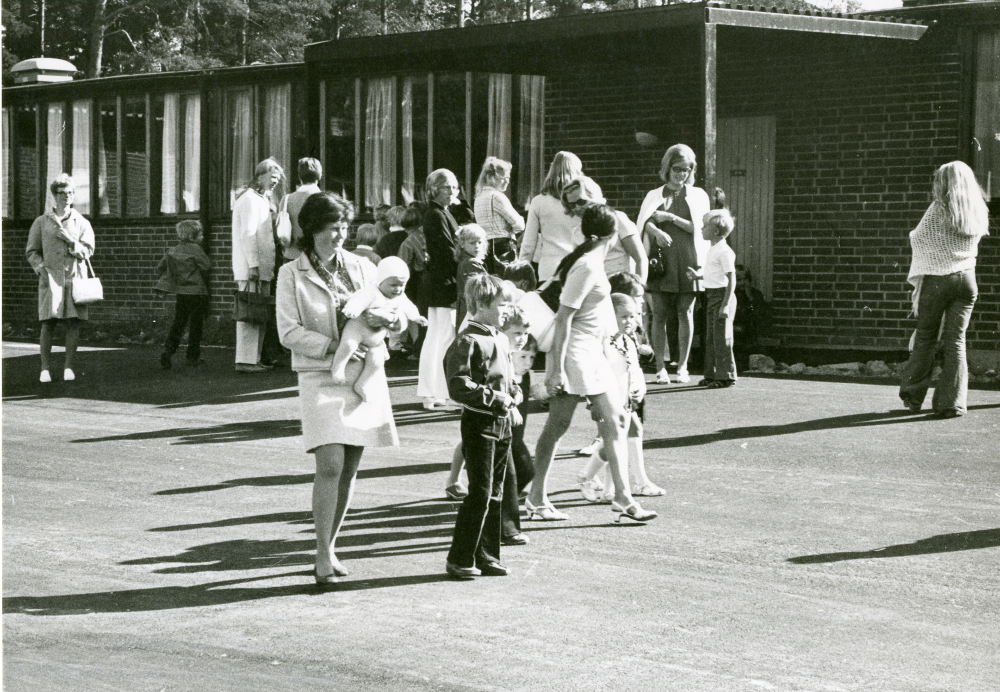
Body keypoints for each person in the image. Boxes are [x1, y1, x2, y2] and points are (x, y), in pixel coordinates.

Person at [276, 191, 405, 585]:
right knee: (330, 463)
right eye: (333, 228)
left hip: (365, 373)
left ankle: (331, 547)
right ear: (312, 229)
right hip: (321, 374)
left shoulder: (363, 266)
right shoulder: (291, 273)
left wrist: (392, 321)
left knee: (348, 469)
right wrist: (337, 348)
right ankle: (320, 554)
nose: (340, 235)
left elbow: (396, 310)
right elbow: (288, 332)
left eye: (345, 227)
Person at [526, 204, 657, 524]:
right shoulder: (586, 266)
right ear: (610, 236)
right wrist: (556, 369)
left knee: (616, 421)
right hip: (575, 354)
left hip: (591, 354)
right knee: (558, 426)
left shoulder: (589, 262)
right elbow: (564, 318)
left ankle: (622, 498)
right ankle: (536, 497)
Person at [443, 274, 521, 579]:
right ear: (480, 304)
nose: (507, 310)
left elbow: (507, 375)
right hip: (480, 422)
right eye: (502, 305)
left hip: (501, 422)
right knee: (481, 493)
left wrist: (514, 391)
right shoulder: (468, 340)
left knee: (496, 492)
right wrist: (496, 398)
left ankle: (487, 556)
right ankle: (460, 558)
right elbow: (458, 384)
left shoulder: (500, 338)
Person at [899, 161, 990, 418]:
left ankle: (913, 395)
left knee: (926, 337)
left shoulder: (938, 208)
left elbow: (918, 237)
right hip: (967, 280)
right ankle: (952, 403)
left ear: (945, 182)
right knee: (956, 341)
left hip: (939, 279)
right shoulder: (978, 208)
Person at [577, 293, 664, 501]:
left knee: (622, 438)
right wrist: (593, 402)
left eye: (633, 316)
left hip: (625, 401)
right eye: (623, 316)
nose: (629, 321)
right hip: (606, 402)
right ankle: (587, 476)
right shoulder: (603, 343)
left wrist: (639, 389)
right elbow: (591, 373)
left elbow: (634, 370)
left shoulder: (628, 341)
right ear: (609, 316)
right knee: (615, 442)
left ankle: (610, 489)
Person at [637, 144, 711, 384]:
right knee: (659, 314)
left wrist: (670, 218)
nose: (682, 174)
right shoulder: (654, 195)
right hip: (661, 263)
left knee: (685, 313)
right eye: (677, 169)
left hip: (688, 260)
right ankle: (660, 368)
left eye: (687, 170)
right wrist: (656, 230)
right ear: (667, 168)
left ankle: (682, 367)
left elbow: (699, 228)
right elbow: (644, 223)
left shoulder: (698, 195)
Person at [25, 173, 95, 383]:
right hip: (50, 279)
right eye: (63, 192)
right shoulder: (41, 222)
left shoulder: (81, 222)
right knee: (48, 323)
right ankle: (45, 369)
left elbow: (88, 251)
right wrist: (41, 269)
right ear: (54, 195)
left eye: (71, 192)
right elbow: (32, 251)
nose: (67, 196)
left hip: (74, 278)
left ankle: (68, 367)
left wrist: (71, 241)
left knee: (73, 323)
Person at [330, 257, 426, 400]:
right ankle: (338, 367)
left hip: (376, 337)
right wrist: (353, 310)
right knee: (348, 345)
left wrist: (416, 317)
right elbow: (359, 300)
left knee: (376, 362)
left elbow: (408, 306)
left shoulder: (400, 297)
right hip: (358, 329)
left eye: (402, 285)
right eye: (393, 285)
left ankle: (362, 384)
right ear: (380, 281)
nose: (398, 289)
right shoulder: (371, 291)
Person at [232, 157, 285, 373]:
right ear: (260, 175)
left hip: (262, 268)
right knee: (249, 314)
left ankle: (254, 359)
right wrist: (253, 265)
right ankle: (245, 361)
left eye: (278, 178)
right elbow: (248, 234)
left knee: (258, 314)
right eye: (272, 177)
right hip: (251, 269)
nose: (275, 181)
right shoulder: (250, 199)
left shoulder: (260, 199)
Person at [418, 169, 462, 411]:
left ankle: (432, 392)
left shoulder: (440, 212)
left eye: (455, 187)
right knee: (444, 337)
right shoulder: (436, 214)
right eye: (448, 187)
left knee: (436, 337)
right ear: (434, 189)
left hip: (438, 281)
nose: (453, 192)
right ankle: (439, 392)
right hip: (444, 282)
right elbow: (447, 250)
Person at [561, 176, 648, 284]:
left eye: (581, 202)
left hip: (623, 286)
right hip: (596, 289)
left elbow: (641, 259)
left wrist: (638, 289)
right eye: (572, 205)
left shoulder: (617, 219)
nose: (577, 208)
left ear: (593, 197)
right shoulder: (577, 233)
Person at [687, 209, 738, 388]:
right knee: (710, 338)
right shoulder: (713, 250)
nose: (702, 229)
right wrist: (698, 276)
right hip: (711, 296)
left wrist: (725, 304)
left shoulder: (724, 251)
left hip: (722, 297)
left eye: (705, 226)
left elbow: (731, 278)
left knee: (721, 339)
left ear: (715, 231)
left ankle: (726, 376)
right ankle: (711, 374)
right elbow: (715, 273)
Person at [518, 151, 584, 281]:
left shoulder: (538, 202)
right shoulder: (582, 203)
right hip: (577, 268)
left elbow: (528, 244)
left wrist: (520, 273)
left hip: (549, 269)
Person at [156, 220, 212, 370]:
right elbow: (207, 266)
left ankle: (168, 351)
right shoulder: (196, 249)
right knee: (196, 325)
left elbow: (160, 266)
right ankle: (192, 357)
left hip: (181, 292)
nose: (202, 237)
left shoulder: (173, 250)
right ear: (193, 236)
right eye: (200, 234)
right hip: (197, 292)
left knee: (178, 323)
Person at [474, 157, 525, 275]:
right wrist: (510, 228)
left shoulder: (478, 197)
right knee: (507, 281)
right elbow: (520, 225)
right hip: (503, 248)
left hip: (486, 247)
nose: (507, 181)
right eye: (503, 178)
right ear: (490, 177)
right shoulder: (496, 196)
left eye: (508, 178)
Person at [279, 157, 323, 261]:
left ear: (299, 176)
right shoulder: (324, 199)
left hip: (291, 257)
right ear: (320, 175)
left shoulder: (286, 199)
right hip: (316, 257)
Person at [733, 265, 771, 373]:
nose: (742, 283)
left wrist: (750, 298)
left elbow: (759, 315)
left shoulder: (755, 294)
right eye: (739, 280)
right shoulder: (731, 295)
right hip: (734, 330)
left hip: (749, 332)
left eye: (745, 279)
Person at [455, 224, 489, 329]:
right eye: (472, 243)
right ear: (462, 244)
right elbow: (484, 285)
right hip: (472, 307)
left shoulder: (465, 260)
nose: (477, 246)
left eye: (480, 242)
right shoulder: (471, 262)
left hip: (465, 305)